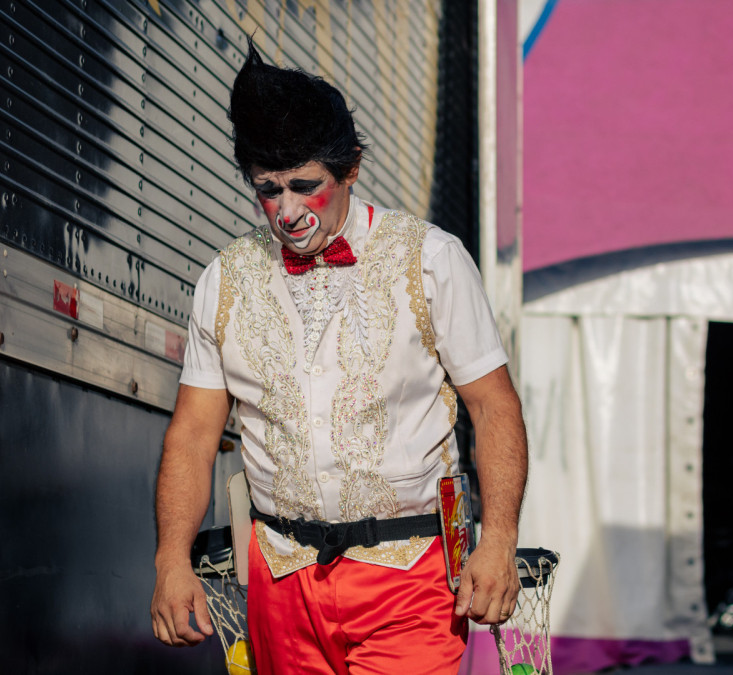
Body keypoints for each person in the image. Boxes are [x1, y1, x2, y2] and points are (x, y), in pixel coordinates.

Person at [150, 42, 527, 674]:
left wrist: (500, 539)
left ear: (351, 167)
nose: (288, 213)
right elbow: (192, 435)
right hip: (281, 585)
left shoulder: (431, 260)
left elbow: (492, 407)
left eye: (306, 186)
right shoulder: (224, 279)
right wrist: (170, 559)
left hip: (411, 581)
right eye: (267, 191)